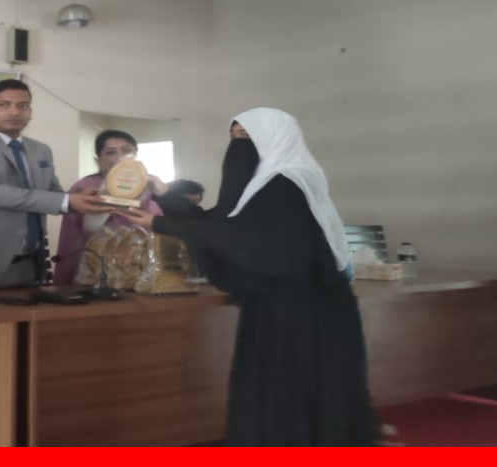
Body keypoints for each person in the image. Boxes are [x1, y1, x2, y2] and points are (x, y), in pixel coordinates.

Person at [121, 107, 378, 446]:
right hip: (280, 303)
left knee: (295, 391)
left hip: (305, 308)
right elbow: (222, 223)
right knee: (277, 389)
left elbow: (243, 238)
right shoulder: (264, 186)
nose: (238, 146)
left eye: (246, 136)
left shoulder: (287, 182)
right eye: (233, 136)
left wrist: (160, 223)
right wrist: (165, 193)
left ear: (275, 139)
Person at [0, 79, 112, 289]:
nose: (14, 112)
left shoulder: (40, 150)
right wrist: (66, 200)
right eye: (4, 105)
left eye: (23, 106)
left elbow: (53, 193)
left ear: (30, 112)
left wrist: (79, 195)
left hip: (30, 261)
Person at [53, 130, 165, 286]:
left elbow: (163, 225)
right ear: (99, 160)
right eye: (111, 152)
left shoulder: (151, 185)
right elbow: (81, 231)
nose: (120, 157)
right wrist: (105, 196)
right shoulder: (86, 187)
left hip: (142, 262)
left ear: (135, 154)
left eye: (126, 150)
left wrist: (163, 193)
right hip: (97, 264)